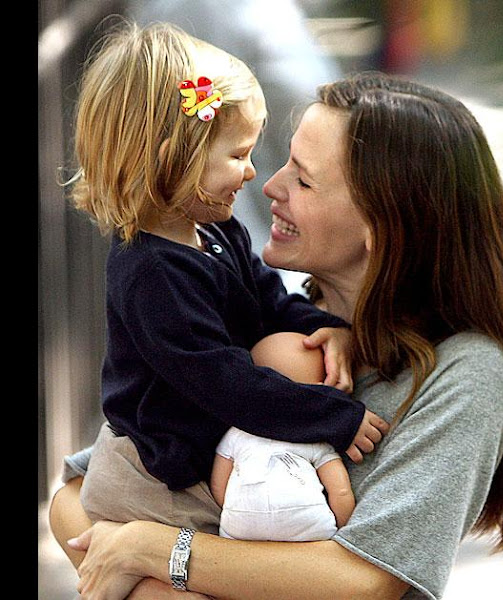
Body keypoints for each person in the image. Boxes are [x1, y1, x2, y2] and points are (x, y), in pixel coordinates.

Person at [51, 72, 503, 600]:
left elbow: (366, 577)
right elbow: (78, 490)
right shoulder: (279, 321)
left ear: (382, 227)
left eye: (303, 179)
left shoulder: (468, 371)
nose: (268, 186)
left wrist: (150, 551)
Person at [64, 20, 387, 536]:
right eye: (238, 156)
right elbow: (226, 384)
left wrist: (331, 331)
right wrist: (331, 417)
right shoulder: (152, 274)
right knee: (217, 573)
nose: (253, 173)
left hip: (205, 451)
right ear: (174, 160)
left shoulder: (218, 232)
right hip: (160, 477)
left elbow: (270, 304)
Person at [212, 332, 355, 541]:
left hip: (242, 522)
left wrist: (236, 508)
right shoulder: (315, 437)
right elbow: (340, 491)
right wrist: (344, 527)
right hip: (308, 520)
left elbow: (219, 484)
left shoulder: (236, 433)